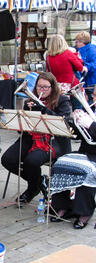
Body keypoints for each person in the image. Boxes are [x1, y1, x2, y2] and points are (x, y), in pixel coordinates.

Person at [1, 72, 72, 205]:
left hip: (53, 141)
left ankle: (32, 189)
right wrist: (24, 116)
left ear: (53, 87)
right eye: (39, 87)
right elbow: (21, 129)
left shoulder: (62, 100)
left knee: (32, 161)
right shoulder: (30, 101)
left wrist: (44, 110)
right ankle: (38, 183)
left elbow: (65, 124)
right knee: (7, 160)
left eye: (46, 87)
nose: (42, 90)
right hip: (31, 138)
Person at [49, 87, 96, 229]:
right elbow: (80, 136)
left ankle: (84, 211)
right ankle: (63, 205)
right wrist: (76, 122)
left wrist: (91, 125)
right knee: (59, 163)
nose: (95, 100)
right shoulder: (92, 111)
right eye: (94, 96)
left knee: (87, 169)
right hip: (87, 152)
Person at [46, 34, 85, 110]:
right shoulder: (67, 53)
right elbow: (80, 67)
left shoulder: (48, 57)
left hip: (58, 86)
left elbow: (49, 71)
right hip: (72, 85)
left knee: (61, 108)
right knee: (77, 109)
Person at [75, 31, 96, 103]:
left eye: (77, 41)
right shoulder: (80, 50)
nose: (76, 43)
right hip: (85, 80)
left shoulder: (92, 50)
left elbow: (94, 64)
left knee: (90, 102)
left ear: (82, 42)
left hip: (91, 81)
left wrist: (86, 67)